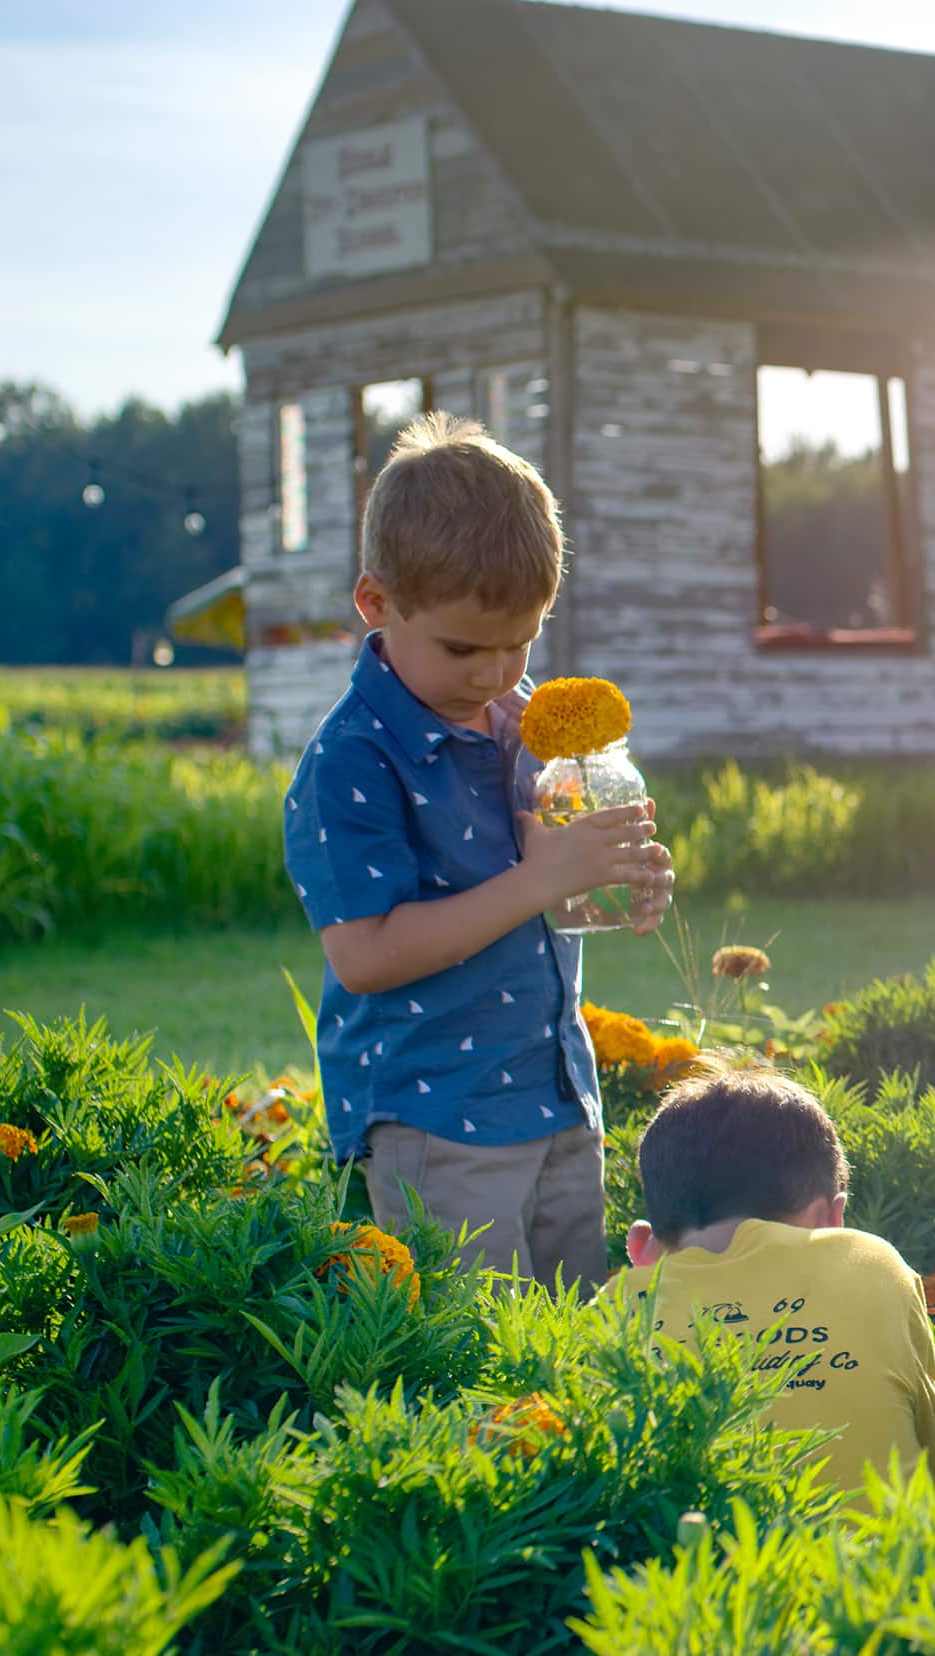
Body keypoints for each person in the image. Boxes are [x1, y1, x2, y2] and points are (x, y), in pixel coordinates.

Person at [282, 412, 673, 1291]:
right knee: (474, 1365)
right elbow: (367, 954)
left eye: (522, 641)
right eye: (464, 647)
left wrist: (620, 880)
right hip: (439, 1118)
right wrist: (540, 880)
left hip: (555, 1091)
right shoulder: (352, 760)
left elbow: (558, 885)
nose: (498, 673)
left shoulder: (524, 723)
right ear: (376, 604)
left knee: (565, 1341)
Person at [613, 1064, 935, 1496]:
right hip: (889, 1559)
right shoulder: (872, 1262)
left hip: (693, 1557)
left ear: (643, 1245)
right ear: (831, 1218)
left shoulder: (615, 1309)